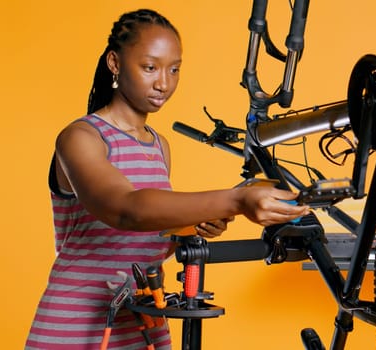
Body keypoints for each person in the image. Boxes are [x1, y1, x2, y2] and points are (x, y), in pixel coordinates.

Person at [25, 8, 308, 349]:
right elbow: (126, 211)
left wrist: (191, 224)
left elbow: (149, 238)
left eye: (174, 69)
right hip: (76, 326)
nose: (164, 83)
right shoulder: (81, 138)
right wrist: (236, 199)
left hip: (145, 319)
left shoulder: (159, 145)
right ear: (115, 63)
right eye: (150, 67)